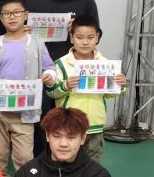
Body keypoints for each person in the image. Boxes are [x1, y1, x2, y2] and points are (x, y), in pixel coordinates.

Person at [24, 0, 99, 156]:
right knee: (40, 120)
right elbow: (13, 31)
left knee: (71, 120)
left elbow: (95, 34)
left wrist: (79, 28)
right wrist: (22, 30)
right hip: (38, 71)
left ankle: (73, 165)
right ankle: (42, 163)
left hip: (71, 71)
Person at [0, 0, 55, 177]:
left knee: (24, 156)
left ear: (26, 15)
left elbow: (50, 67)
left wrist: (49, 76)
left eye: (16, 12)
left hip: (24, 111)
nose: (12, 17)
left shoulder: (37, 44)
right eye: (7, 13)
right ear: (1, 18)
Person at [48, 15, 126, 163]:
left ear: (97, 38)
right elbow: (51, 92)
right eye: (80, 37)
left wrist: (120, 85)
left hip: (95, 125)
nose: (85, 42)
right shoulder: (61, 64)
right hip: (68, 126)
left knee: (92, 165)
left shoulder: (105, 64)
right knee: (66, 163)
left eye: (90, 37)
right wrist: (65, 86)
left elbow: (108, 95)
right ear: (71, 38)